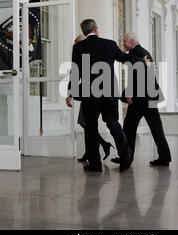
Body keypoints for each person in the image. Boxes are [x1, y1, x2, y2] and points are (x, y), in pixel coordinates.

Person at [66, 19, 149, 173]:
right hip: (109, 93)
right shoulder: (109, 44)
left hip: (90, 95)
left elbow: (75, 71)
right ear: (96, 29)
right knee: (113, 124)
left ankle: (95, 164)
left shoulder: (78, 47)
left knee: (90, 128)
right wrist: (141, 61)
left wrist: (70, 93)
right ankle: (126, 156)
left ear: (84, 32)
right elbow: (124, 58)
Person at [111, 32, 172, 167]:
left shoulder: (137, 53)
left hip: (141, 99)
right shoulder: (143, 52)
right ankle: (164, 157)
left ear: (132, 42)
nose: (124, 44)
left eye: (125, 42)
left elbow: (139, 77)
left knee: (129, 128)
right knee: (156, 129)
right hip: (148, 97)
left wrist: (130, 93)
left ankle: (127, 157)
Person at [72, 34, 114, 162]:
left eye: (76, 44)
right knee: (85, 124)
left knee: (87, 124)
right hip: (88, 93)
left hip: (90, 95)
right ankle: (97, 149)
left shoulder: (85, 54)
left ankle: (95, 151)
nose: (75, 46)